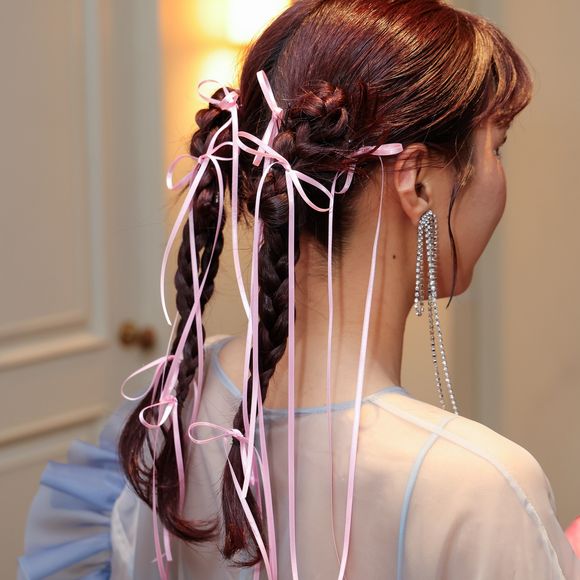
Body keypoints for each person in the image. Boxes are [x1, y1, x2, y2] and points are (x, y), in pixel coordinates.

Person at [18, 0, 580, 578]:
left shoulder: (171, 405)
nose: (500, 175)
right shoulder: (481, 489)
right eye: (496, 147)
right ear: (416, 183)